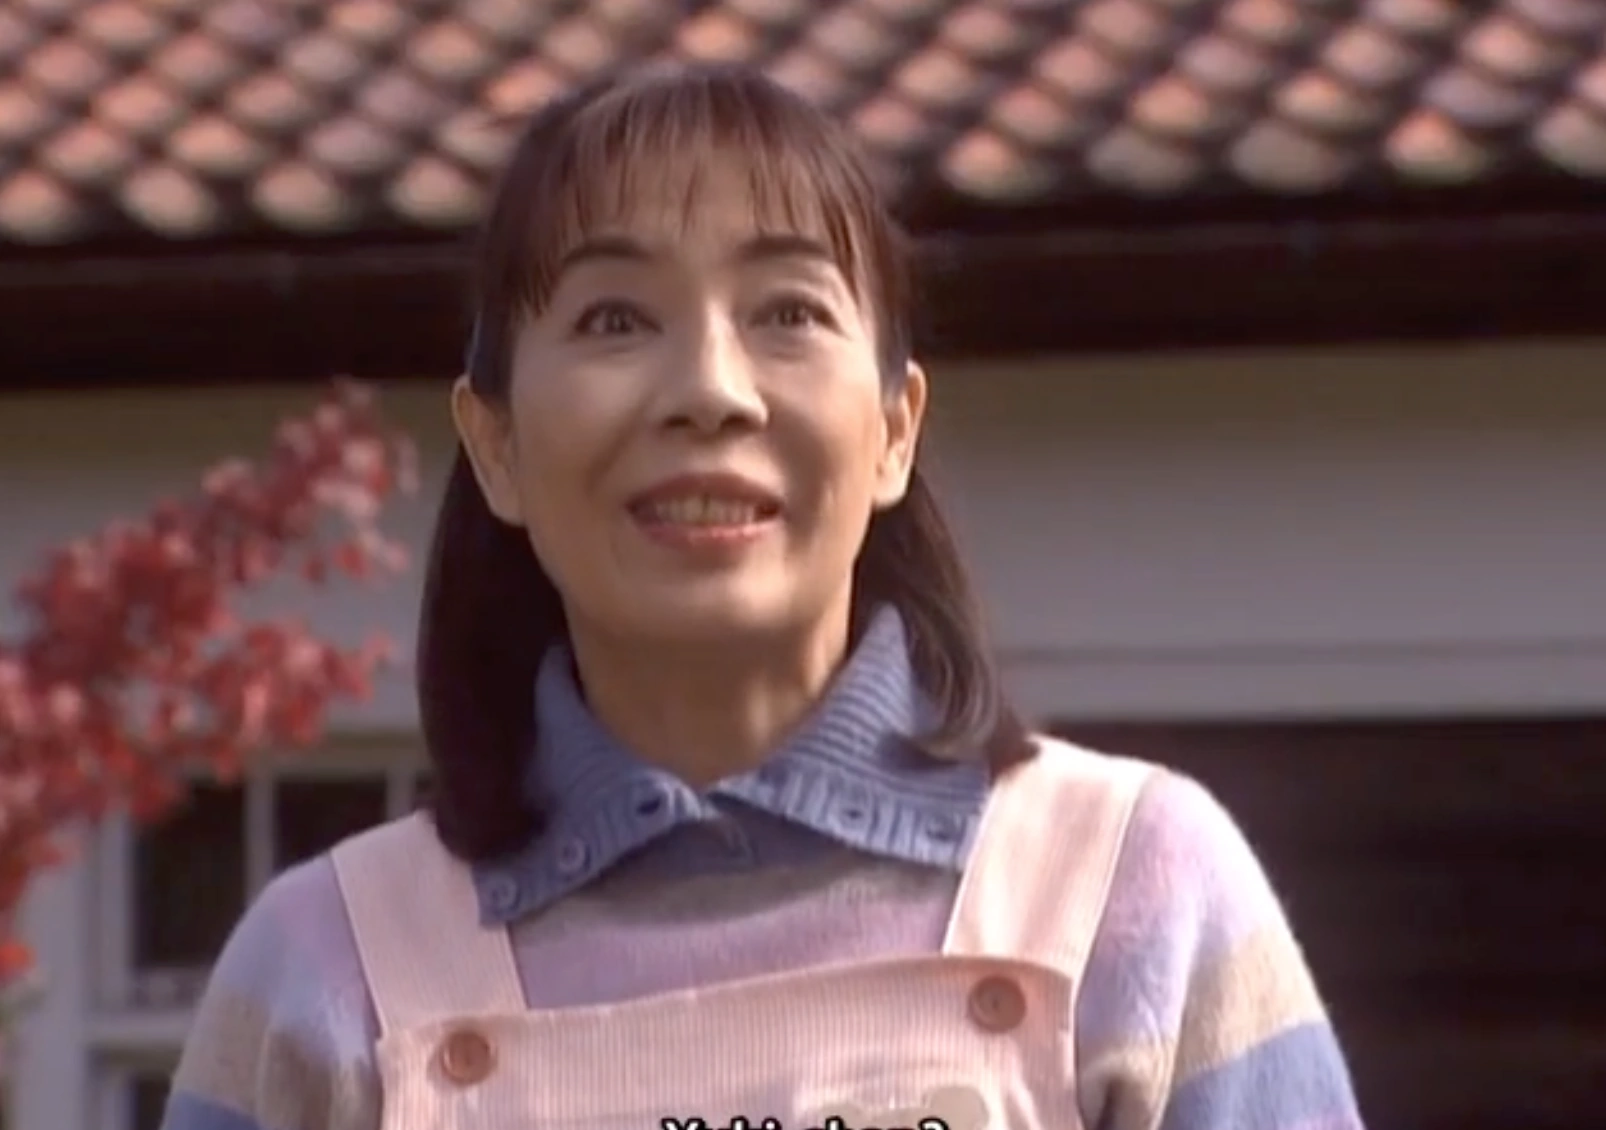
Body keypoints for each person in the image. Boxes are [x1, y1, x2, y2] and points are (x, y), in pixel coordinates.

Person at [162, 63, 1365, 1130]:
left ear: (894, 429)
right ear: (497, 445)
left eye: (788, 311)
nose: (711, 390)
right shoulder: (326, 967)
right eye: (615, 317)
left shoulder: (1132, 892)